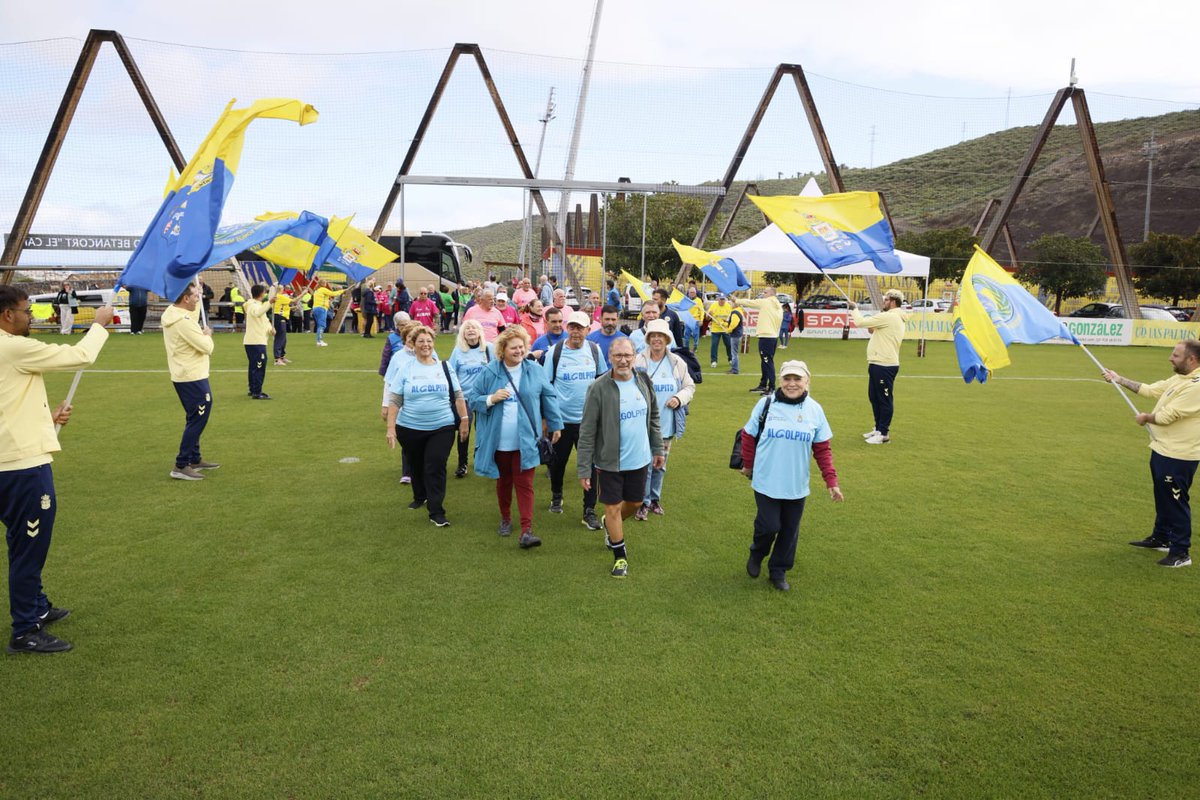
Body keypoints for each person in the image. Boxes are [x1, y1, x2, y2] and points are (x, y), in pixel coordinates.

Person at [1, 286, 112, 654]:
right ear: (7, 315)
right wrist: (99, 325)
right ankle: (25, 629)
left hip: (12, 460)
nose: (31, 316)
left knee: (22, 541)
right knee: (29, 549)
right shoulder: (12, 348)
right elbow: (80, 355)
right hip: (22, 468)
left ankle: (36, 606)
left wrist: (46, 419)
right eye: (26, 310)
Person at [739, 360, 843, 591]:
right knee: (768, 526)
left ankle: (778, 570)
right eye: (787, 378)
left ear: (807, 382)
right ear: (780, 380)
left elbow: (822, 448)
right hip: (766, 479)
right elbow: (748, 435)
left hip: (796, 484)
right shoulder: (766, 404)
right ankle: (757, 553)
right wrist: (749, 465)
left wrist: (831, 481)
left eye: (798, 379)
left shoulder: (815, 410)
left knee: (789, 530)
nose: (792, 383)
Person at [1104, 341, 1200, 568]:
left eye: (1175, 355)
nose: (1170, 358)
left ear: (1192, 360)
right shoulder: (1180, 378)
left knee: (1175, 501)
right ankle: (1161, 537)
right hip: (1162, 448)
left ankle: (1181, 552)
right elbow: (1151, 389)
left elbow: (1169, 415)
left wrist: (1146, 418)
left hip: (1179, 455)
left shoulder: (1197, 386)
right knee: (1163, 496)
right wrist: (1119, 379)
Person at [577, 337, 664, 578]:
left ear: (634, 356)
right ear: (610, 357)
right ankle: (620, 557)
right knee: (613, 507)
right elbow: (587, 431)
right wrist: (584, 468)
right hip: (608, 463)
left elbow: (654, 417)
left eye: (627, 355)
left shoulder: (643, 380)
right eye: (618, 356)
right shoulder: (598, 387)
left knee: (635, 504)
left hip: (640, 459)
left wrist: (657, 448)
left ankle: (610, 523)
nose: (623, 360)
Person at [471, 326, 563, 549]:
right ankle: (505, 518)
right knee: (504, 482)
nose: (519, 351)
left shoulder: (534, 369)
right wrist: (491, 398)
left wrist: (555, 424)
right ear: (502, 349)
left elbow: (549, 397)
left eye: (522, 347)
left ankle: (526, 530)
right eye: (514, 348)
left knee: (525, 484)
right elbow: (473, 398)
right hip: (499, 441)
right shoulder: (490, 371)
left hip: (527, 440)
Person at [386, 326, 468, 527]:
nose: (426, 345)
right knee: (416, 464)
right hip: (409, 428)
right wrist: (391, 428)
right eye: (421, 341)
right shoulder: (406, 368)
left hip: (442, 426)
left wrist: (464, 419)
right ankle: (420, 495)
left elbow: (458, 395)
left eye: (429, 341)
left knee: (435, 465)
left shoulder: (445, 367)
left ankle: (436, 511)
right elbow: (395, 399)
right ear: (413, 344)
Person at [545, 311, 608, 528]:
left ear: (588, 330)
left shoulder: (594, 350)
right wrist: (548, 419)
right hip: (561, 422)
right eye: (572, 327)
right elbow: (546, 387)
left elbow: (602, 382)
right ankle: (556, 495)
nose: (576, 332)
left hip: (588, 422)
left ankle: (589, 510)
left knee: (590, 465)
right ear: (567, 328)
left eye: (580, 328)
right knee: (558, 463)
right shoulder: (555, 352)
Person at [632, 320, 695, 520]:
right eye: (653, 336)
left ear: (667, 339)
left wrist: (679, 398)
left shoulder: (676, 362)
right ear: (648, 338)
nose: (657, 339)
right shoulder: (638, 361)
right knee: (645, 465)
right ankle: (643, 502)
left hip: (666, 424)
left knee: (660, 465)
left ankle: (654, 499)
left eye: (661, 336)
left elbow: (689, 387)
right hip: (642, 425)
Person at [162, 283, 218, 481]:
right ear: (185, 298)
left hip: (184, 374)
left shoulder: (173, 313)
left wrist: (198, 294)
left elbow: (191, 316)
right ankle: (181, 464)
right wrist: (207, 335)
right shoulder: (183, 322)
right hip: (192, 376)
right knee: (198, 418)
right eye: (195, 295)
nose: (198, 298)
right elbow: (206, 347)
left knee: (194, 416)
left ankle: (194, 458)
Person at [848, 289, 908, 444]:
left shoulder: (891, 316)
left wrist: (854, 308)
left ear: (893, 301)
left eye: (886, 299)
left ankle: (883, 433)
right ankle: (878, 428)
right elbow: (872, 329)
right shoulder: (889, 316)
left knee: (884, 399)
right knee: (874, 397)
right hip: (877, 363)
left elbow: (860, 322)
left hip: (885, 365)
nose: (884, 302)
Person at [448, 319, 495, 478]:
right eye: (467, 328)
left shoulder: (489, 348)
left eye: (474, 327)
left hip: (484, 397)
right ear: (463, 333)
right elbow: (451, 374)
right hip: (465, 398)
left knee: (484, 429)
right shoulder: (458, 351)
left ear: (480, 331)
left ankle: (481, 457)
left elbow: (497, 369)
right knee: (464, 428)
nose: (470, 330)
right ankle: (462, 463)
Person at [740, 288, 784, 396]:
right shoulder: (778, 305)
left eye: (765, 292)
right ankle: (763, 384)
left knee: (767, 362)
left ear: (771, 294)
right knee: (765, 361)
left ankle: (772, 387)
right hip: (772, 337)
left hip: (766, 337)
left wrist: (736, 300)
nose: (763, 294)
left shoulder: (766, 302)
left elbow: (750, 303)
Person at [243, 283, 277, 400]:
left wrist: (270, 328)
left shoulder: (257, 305)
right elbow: (258, 313)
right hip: (256, 341)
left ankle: (253, 389)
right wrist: (270, 302)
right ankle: (257, 392)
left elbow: (264, 320)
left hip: (254, 341)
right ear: (262, 293)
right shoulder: (253, 305)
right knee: (259, 366)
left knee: (254, 366)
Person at [312, 281, 344, 347]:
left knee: (319, 325)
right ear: (323, 284)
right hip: (322, 308)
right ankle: (319, 341)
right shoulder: (323, 289)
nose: (326, 284)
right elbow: (333, 294)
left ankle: (319, 340)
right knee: (322, 325)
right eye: (325, 283)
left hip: (315, 308)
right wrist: (342, 291)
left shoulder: (316, 290)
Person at [708, 294, 734, 368]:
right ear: (718, 299)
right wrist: (709, 314)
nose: (722, 301)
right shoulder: (713, 306)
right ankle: (714, 361)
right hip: (715, 329)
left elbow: (731, 318)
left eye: (723, 299)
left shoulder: (728, 306)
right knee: (714, 345)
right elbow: (707, 318)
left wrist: (725, 323)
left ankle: (730, 359)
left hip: (725, 329)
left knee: (729, 344)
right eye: (721, 299)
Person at [272, 288, 292, 365]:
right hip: (279, 319)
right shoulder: (279, 296)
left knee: (283, 339)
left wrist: (291, 308)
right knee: (279, 338)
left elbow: (281, 307)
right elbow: (294, 301)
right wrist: (303, 293)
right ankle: (277, 359)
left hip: (282, 318)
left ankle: (281, 356)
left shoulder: (278, 297)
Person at [726, 300, 745, 375]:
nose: (730, 304)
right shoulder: (739, 311)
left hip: (735, 334)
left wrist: (728, 330)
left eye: (731, 303)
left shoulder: (735, 312)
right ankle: (734, 368)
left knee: (734, 353)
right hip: (738, 333)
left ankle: (735, 369)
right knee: (734, 352)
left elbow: (734, 324)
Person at [683, 287, 704, 352]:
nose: (692, 294)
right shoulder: (686, 300)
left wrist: (701, 320)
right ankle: (686, 348)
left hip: (696, 320)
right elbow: (683, 310)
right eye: (690, 292)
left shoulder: (698, 300)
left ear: (695, 293)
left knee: (696, 335)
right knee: (686, 335)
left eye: (693, 292)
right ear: (688, 293)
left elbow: (702, 311)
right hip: (687, 320)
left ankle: (695, 347)